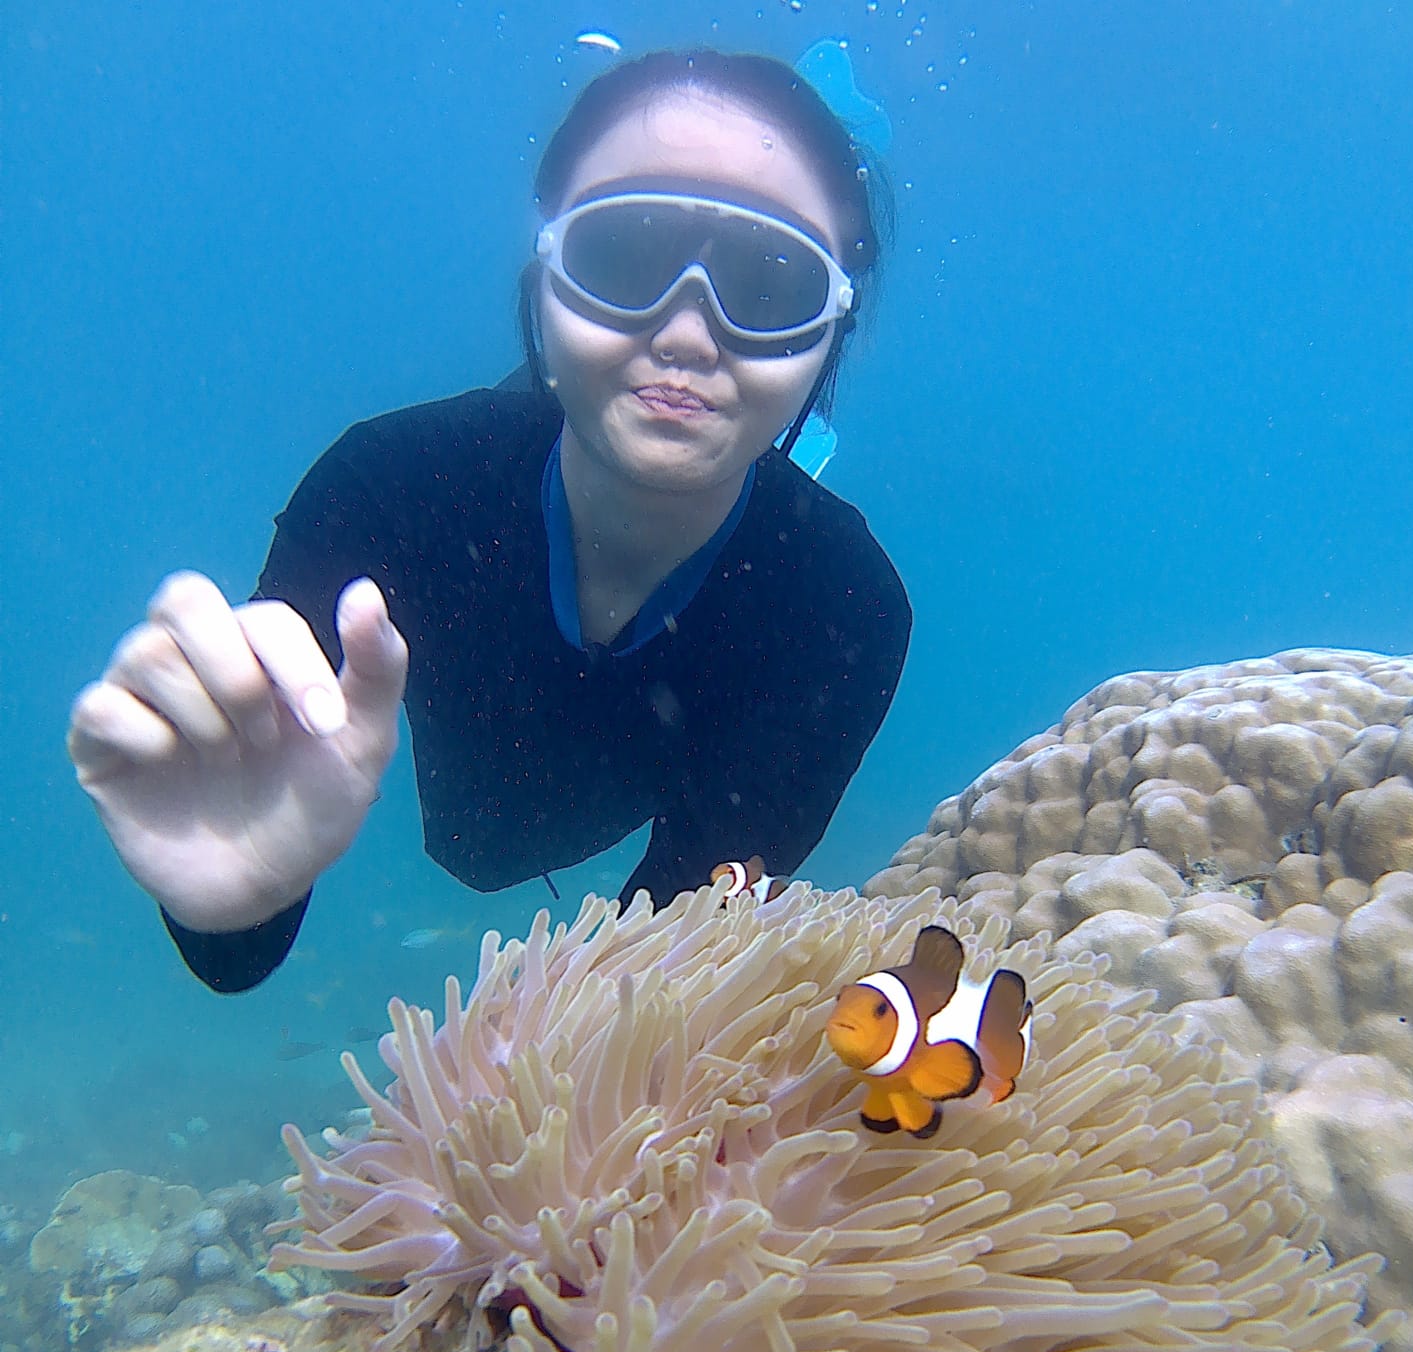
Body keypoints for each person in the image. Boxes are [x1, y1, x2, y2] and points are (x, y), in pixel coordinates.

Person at [67, 48, 910, 994]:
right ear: (544, 276)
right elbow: (240, 931)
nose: (686, 332)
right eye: (622, 256)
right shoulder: (384, 493)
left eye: (768, 285)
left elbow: (667, 961)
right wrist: (227, 874)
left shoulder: (840, 610)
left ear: (831, 329)